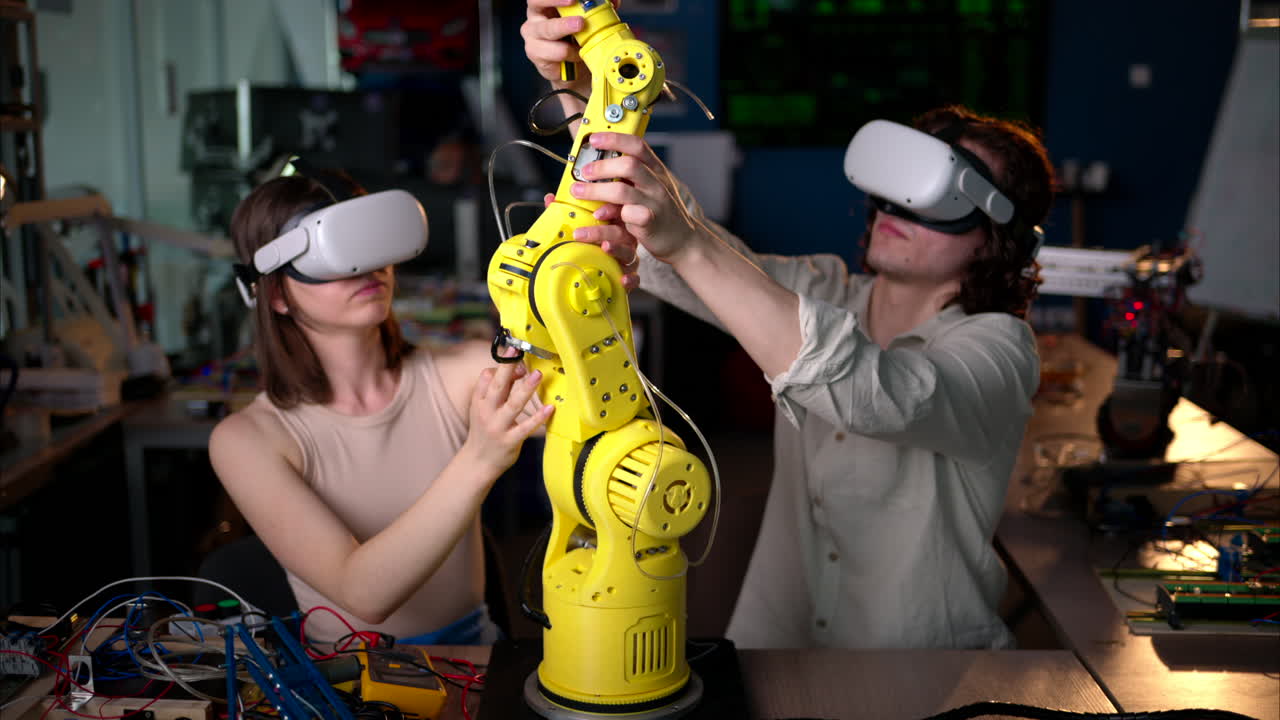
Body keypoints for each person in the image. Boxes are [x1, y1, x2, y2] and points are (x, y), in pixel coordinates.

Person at [522, 0, 1055, 649]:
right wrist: (589, 89)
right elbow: (698, 264)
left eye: (935, 197)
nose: (896, 207)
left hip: (920, 671)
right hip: (783, 645)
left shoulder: (1001, 349)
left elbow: (871, 391)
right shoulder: (827, 289)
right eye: (897, 184)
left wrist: (687, 243)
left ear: (995, 234)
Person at [207, 172, 557, 647]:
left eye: (372, 241)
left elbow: (585, 393)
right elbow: (363, 593)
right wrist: (479, 459)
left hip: (478, 668)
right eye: (334, 252)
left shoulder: (458, 374)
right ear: (275, 295)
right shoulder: (248, 441)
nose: (366, 267)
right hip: (352, 686)